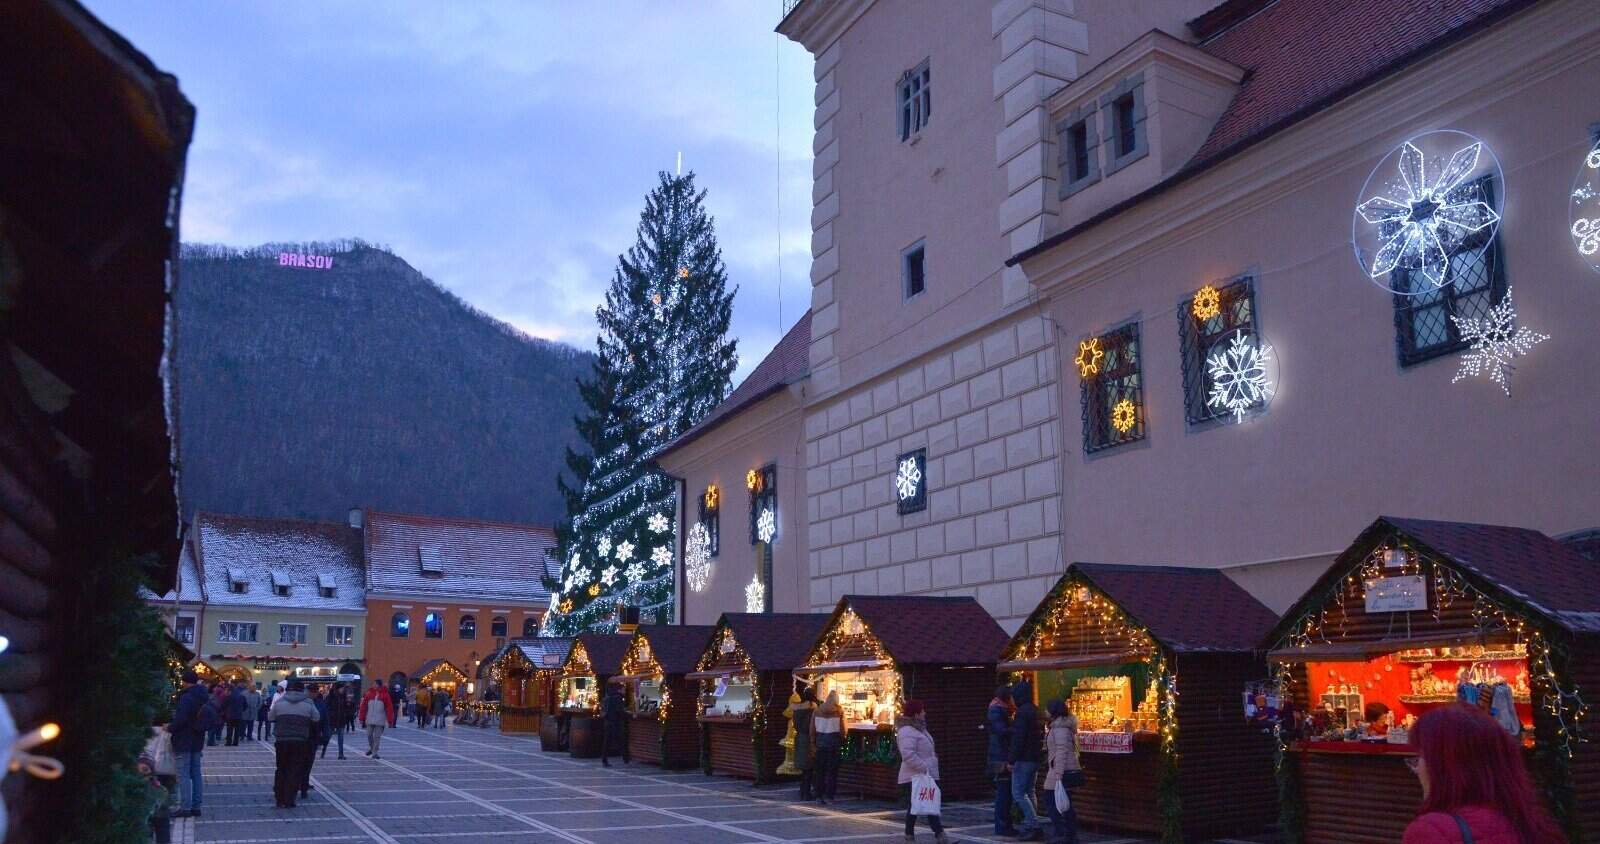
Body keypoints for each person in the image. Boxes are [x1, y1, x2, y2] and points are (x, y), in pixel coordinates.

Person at [1403, 705, 1563, 844]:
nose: (1416, 769)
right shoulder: (1531, 822)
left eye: (1420, 757)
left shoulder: (1431, 831)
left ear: (1444, 765)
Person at [895, 700, 949, 843]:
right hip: (914, 776)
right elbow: (908, 755)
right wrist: (925, 767)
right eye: (922, 711)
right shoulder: (907, 731)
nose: (925, 713)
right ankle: (939, 835)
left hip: (924, 774)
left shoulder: (919, 729)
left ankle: (914, 835)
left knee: (923, 805)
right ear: (916, 713)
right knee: (920, 806)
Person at [168, 670, 217, 818]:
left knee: (183, 774)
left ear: (185, 682)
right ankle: (196, 806)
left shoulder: (187, 697)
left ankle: (185, 807)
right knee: (195, 773)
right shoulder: (203, 696)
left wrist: (169, 727)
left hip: (184, 740)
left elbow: (181, 719)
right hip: (197, 739)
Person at [268, 679, 321, 808]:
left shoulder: (280, 702)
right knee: (294, 769)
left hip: (282, 741)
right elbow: (316, 717)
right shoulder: (308, 703)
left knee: (281, 768)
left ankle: (279, 798)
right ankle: (289, 799)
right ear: (302, 690)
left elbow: (270, 717)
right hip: (300, 741)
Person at [1007, 680, 1045, 841]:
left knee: (1018, 793)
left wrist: (1011, 759)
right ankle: (1031, 824)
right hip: (1035, 758)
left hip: (1023, 758)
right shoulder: (1036, 711)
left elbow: (1018, 738)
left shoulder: (1022, 714)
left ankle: (1033, 825)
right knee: (1030, 791)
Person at [1042, 699, 1082, 844]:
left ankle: (1064, 833)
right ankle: (1068, 834)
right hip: (1060, 768)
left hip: (1059, 770)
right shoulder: (1060, 726)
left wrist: (1058, 773)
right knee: (1063, 802)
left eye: (1047, 709)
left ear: (1054, 711)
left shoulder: (1059, 728)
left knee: (1053, 800)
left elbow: (1061, 750)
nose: (1045, 712)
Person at [986, 686, 1018, 837]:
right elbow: (1001, 731)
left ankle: (1004, 825)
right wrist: (1017, 730)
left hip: (1000, 755)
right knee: (1004, 793)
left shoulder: (998, 709)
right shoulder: (997, 711)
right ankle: (1003, 826)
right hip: (1001, 757)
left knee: (1004, 792)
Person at [812, 690, 844, 804]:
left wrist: (813, 742)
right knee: (832, 771)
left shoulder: (817, 710)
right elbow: (842, 730)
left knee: (820, 770)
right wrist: (842, 738)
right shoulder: (839, 712)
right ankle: (829, 796)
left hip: (820, 744)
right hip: (833, 745)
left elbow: (812, 729)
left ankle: (818, 795)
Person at [789, 687, 816, 800]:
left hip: (799, 738)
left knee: (803, 768)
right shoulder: (812, 708)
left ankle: (802, 791)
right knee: (809, 767)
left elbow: (795, 724)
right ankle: (806, 793)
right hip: (808, 739)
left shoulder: (797, 709)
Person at [361, 678, 394, 758]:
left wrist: (390, 720)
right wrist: (362, 717)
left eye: (375, 684)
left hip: (380, 719)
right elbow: (363, 706)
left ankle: (374, 753)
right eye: (373, 684)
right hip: (369, 718)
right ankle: (372, 748)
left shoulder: (385, 695)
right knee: (369, 735)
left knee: (377, 737)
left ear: (379, 685)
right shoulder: (369, 693)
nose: (373, 685)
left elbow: (389, 708)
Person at [600, 682, 627, 767]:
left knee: (607, 742)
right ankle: (625, 757)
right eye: (623, 689)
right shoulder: (618, 698)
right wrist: (628, 714)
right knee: (621, 740)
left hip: (607, 722)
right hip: (615, 723)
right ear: (619, 690)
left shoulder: (608, 697)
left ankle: (604, 759)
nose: (625, 691)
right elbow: (620, 711)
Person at [325, 682, 350, 759]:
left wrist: (349, 705)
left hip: (341, 720)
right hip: (332, 720)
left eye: (343, 688)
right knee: (328, 736)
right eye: (342, 688)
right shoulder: (331, 696)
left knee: (341, 738)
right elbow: (327, 707)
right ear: (338, 688)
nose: (343, 689)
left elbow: (346, 707)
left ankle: (341, 754)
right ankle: (323, 750)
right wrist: (330, 715)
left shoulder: (343, 696)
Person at [223, 681, 248, 746]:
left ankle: (228, 742)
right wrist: (241, 710)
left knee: (229, 729)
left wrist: (226, 711)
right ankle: (235, 742)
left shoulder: (229, 696)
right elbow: (245, 706)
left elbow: (224, 705)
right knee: (237, 730)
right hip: (239, 715)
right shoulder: (242, 696)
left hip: (230, 715)